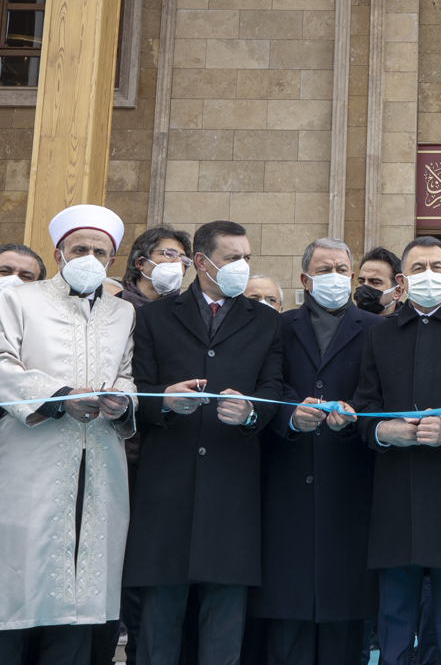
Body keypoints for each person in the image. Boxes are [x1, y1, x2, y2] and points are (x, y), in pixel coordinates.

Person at [124, 219, 284, 665]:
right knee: (158, 626)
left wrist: (252, 411)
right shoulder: (155, 316)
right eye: (234, 258)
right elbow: (138, 387)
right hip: (166, 488)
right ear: (202, 261)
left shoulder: (266, 322)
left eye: (248, 258)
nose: (243, 266)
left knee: (224, 626)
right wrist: (164, 403)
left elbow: (273, 389)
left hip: (232, 489)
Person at [0, 206, 136, 664]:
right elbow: (2, 366)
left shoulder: (123, 313)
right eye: (81, 249)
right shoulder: (20, 300)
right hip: (31, 460)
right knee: (21, 582)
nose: (90, 257)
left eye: (100, 251)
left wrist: (123, 401)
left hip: (99, 460)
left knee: (84, 593)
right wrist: (59, 396)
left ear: (112, 261)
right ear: (59, 254)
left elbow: (126, 374)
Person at [352, 235, 441, 665]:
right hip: (395, 493)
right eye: (417, 268)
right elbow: (364, 406)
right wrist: (383, 431)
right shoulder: (379, 335)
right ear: (401, 280)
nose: (427, 275)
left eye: (436, 267)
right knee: (394, 616)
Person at [245, 238, 380, 665]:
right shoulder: (278, 326)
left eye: (342, 269)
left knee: (345, 615)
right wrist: (288, 415)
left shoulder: (377, 330)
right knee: (288, 615)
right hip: (288, 479)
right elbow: (268, 382)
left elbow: (378, 391)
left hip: (349, 480)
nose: (335, 277)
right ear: (305, 279)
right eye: (324, 270)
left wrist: (356, 412)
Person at [117, 227, 192, 308]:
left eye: (184, 259)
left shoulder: (187, 312)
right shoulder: (112, 308)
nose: (179, 262)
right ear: (140, 263)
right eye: (169, 254)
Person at [355, 247, 403, 317]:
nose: (365, 286)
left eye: (375, 282)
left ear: (397, 292)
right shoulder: (345, 323)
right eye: (361, 281)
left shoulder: (413, 326)